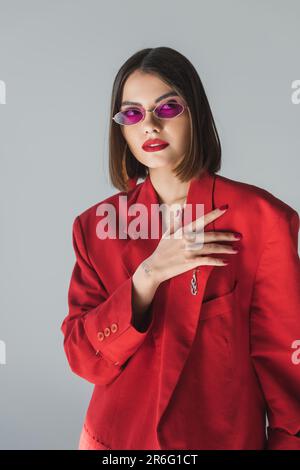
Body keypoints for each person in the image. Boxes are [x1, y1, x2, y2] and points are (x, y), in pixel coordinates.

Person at [60, 47, 300, 450]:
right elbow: (84, 358)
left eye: (167, 108)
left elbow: (287, 367)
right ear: (120, 128)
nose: (149, 125)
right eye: (132, 113)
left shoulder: (262, 220)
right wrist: (148, 276)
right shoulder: (94, 228)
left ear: (195, 113)